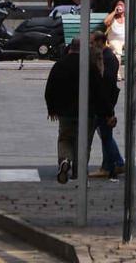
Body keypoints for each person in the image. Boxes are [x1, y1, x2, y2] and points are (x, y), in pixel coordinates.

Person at [44, 39, 110, 184]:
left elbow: (50, 88)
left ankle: (65, 160)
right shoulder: (89, 66)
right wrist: (107, 113)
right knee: (84, 142)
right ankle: (78, 172)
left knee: (65, 138)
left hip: (65, 112)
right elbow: (99, 90)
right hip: (87, 112)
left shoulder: (59, 65)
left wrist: (52, 109)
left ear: (70, 48)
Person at [89, 29, 125, 178]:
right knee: (105, 134)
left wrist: (109, 110)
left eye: (92, 42)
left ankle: (117, 163)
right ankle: (109, 165)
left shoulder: (107, 58)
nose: (90, 45)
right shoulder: (103, 56)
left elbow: (106, 84)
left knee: (105, 134)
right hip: (104, 102)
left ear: (99, 42)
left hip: (104, 103)